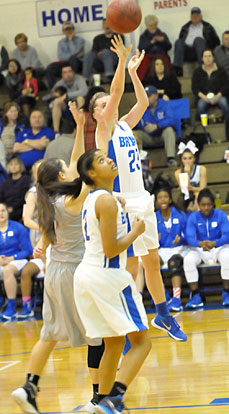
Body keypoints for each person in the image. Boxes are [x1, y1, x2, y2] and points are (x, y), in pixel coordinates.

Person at [91, 35, 187, 341]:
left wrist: (134, 73)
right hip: (122, 204)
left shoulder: (123, 125)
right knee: (130, 268)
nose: (111, 105)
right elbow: (117, 92)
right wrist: (121, 62)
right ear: (97, 114)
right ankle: (123, 324)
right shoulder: (103, 130)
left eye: (109, 102)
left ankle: (162, 315)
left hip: (142, 200)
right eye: (103, 104)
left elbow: (143, 102)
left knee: (152, 263)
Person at [11, 102, 104, 414]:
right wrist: (82, 128)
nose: (71, 167)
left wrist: (79, 127)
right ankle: (98, 399)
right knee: (97, 337)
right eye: (67, 166)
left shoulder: (47, 199)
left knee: (48, 335)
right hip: (75, 274)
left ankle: (28, 387)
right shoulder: (70, 199)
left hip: (53, 274)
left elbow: (75, 162)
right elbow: (81, 162)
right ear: (63, 175)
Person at [62, 148, 151, 414]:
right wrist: (136, 231)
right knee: (141, 343)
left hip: (87, 277)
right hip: (107, 277)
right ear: (91, 173)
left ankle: (100, 401)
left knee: (113, 344)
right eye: (101, 160)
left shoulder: (95, 198)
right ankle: (115, 398)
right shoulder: (105, 201)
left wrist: (122, 210)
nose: (110, 160)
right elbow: (112, 249)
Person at [183, 188, 229, 308]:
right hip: (200, 248)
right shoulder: (193, 217)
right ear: (198, 205)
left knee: (227, 257)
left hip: (218, 246)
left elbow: (227, 236)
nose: (206, 208)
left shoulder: (221, 215)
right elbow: (189, 238)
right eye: (203, 205)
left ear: (213, 204)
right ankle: (196, 295)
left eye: (209, 204)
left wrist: (214, 243)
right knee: (188, 260)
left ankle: (226, 293)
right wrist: (201, 244)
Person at [17, 160, 44, 319]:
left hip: (59, 245)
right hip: (40, 244)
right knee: (26, 272)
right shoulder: (32, 193)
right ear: (34, 174)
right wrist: (44, 228)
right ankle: (27, 307)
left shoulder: (58, 190)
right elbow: (26, 220)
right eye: (37, 170)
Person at [155, 187, 188, 312]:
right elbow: (147, 238)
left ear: (170, 200)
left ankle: (176, 299)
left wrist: (182, 239)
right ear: (157, 201)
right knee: (152, 263)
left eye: (165, 197)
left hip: (178, 249)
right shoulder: (154, 217)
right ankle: (162, 295)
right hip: (162, 249)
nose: (163, 199)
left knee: (174, 263)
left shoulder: (180, 214)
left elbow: (188, 234)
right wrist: (155, 240)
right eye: (160, 197)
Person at [0, 202, 33, 320]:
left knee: (8, 270)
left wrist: (11, 258)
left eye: (3, 210)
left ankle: (11, 306)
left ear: (7, 213)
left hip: (18, 259)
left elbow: (28, 250)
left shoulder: (18, 227)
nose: (1, 213)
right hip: (1, 261)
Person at [135, 85, 177, 166]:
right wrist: (144, 127)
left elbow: (172, 120)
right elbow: (138, 122)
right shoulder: (141, 106)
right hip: (148, 135)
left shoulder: (165, 104)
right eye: (145, 96)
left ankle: (170, 159)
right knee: (134, 134)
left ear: (156, 95)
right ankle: (139, 161)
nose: (146, 98)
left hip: (162, 134)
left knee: (169, 130)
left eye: (148, 96)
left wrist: (157, 126)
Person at [192, 48, 229, 138]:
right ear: (202, 59)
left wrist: (217, 96)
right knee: (200, 107)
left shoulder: (221, 70)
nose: (208, 58)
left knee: (225, 104)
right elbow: (195, 88)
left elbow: (226, 86)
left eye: (209, 56)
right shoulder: (197, 72)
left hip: (219, 95)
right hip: (203, 97)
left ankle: (225, 122)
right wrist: (204, 97)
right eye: (205, 56)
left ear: (213, 58)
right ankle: (204, 128)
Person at [173, 7, 220, 76]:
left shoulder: (207, 26)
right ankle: (178, 68)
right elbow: (180, 44)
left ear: (201, 16)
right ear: (190, 16)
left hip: (201, 51)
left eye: (197, 15)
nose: (195, 17)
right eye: (193, 15)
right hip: (188, 52)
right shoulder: (185, 27)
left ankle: (202, 66)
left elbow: (216, 41)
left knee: (198, 40)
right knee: (179, 41)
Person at [82, 19, 124, 83]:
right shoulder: (97, 38)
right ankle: (85, 78)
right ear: (102, 26)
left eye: (109, 24)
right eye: (105, 24)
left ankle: (110, 75)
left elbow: (121, 51)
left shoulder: (118, 36)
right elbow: (94, 51)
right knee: (88, 54)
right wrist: (99, 54)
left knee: (105, 52)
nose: (107, 26)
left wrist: (104, 52)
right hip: (100, 59)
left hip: (114, 59)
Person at [46, 21, 85, 88]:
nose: (69, 31)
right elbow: (61, 57)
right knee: (49, 69)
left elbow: (74, 54)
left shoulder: (80, 40)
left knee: (73, 59)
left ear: (73, 29)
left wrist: (70, 40)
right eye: (67, 29)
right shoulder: (61, 42)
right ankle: (54, 89)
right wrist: (75, 54)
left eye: (70, 28)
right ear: (63, 31)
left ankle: (73, 84)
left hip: (77, 63)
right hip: (65, 64)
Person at [50, 64, 88, 133]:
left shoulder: (79, 79)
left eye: (69, 71)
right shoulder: (60, 83)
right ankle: (56, 132)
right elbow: (50, 95)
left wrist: (67, 95)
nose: (67, 74)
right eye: (65, 72)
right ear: (62, 75)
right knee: (56, 101)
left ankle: (83, 126)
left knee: (80, 98)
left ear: (73, 72)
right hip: (66, 107)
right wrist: (56, 95)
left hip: (78, 106)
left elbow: (84, 91)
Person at [137, 14, 172, 81]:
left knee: (165, 61)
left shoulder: (162, 34)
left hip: (160, 54)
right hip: (148, 55)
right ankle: (141, 82)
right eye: (151, 25)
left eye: (155, 25)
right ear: (147, 26)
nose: (153, 27)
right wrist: (151, 42)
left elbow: (169, 46)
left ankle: (167, 80)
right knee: (143, 63)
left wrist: (163, 41)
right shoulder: (143, 36)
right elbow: (141, 48)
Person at [174, 140, 207, 210]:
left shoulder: (201, 169)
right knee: (181, 200)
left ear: (194, 159)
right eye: (185, 159)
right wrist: (187, 174)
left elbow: (203, 188)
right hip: (186, 195)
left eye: (190, 158)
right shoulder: (177, 173)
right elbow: (185, 190)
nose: (187, 161)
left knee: (197, 195)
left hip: (200, 194)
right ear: (181, 160)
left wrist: (193, 189)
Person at [0, 155, 31, 222]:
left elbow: (23, 198)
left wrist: (12, 208)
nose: (13, 167)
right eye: (11, 164)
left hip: (20, 209)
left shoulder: (26, 179)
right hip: (6, 208)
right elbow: (1, 197)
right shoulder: (6, 182)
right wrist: (5, 208)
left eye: (16, 164)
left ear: (20, 166)